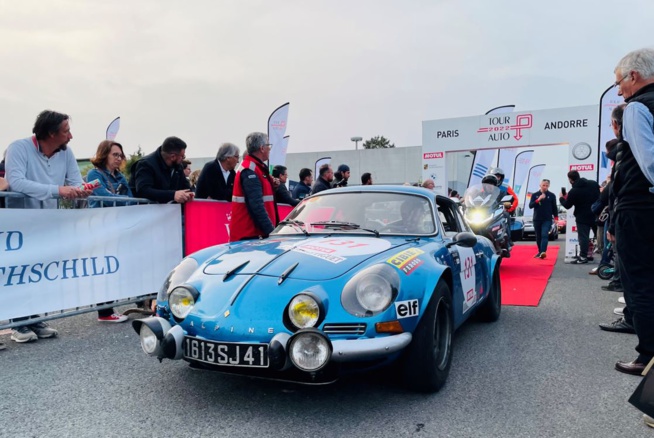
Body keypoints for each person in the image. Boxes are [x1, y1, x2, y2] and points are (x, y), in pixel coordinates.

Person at [5, 110, 91, 343]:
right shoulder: (18, 148)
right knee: (18, 272)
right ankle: (18, 322)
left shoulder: (66, 153)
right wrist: (58, 190)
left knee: (37, 273)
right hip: (18, 223)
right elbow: (16, 182)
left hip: (46, 224)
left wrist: (81, 190)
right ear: (51, 133)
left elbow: (73, 182)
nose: (70, 136)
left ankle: (33, 319)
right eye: (66, 131)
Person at [608, 48, 654, 377]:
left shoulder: (637, 107)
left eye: (619, 82)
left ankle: (648, 358)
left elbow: (648, 164)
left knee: (639, 283)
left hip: (639, 208)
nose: (619, 89)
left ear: (633, 76)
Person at [87, 140, 133, 323]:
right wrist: (120, 199)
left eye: (121, 155)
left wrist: (120, 199)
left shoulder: (119, 176)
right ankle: (104, 312)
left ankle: (108, 308)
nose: (118, 158)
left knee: (114, 267)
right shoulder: (93, 173)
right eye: (115, 154)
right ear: (104, 154)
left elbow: (130, 197)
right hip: (100, 227)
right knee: (103, 268)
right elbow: (105, 197)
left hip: (116, 226)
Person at [229, 132, 279, 241]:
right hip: (250, 235)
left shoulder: (256, 168)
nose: (269, 149)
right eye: (268, 146)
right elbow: (256, 206)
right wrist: (271, 233)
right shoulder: (250, 170)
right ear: (262, 148)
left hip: (254, 234)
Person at [130, 136, 193, 204]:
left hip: (169, 211)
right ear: (173, 157)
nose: (183, 159)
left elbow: (185, 187)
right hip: (145, 210)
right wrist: (173, 195)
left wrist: (189, 194)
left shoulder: (178, 167)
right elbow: (143, 190)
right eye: (182, 156)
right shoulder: (146, 164)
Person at [559, 170, 600, 264]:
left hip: (582, 216)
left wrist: (561, 198)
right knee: (599, 236)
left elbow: (567, 205)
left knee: (583, 237)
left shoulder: (574, 191)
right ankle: (604, 256)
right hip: (596, 214)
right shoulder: (593, 183)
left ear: (570, 180)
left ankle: (583, 257)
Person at [528, 179, 559, 259]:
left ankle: (543, 252)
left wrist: (556, 218)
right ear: (540, 185)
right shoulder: (535, 195)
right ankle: (540, 251)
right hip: (537, 219)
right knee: (538, 236)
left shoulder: (552, 195)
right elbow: (530, 206)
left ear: (549, 186)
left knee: (544, 234)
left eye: (546, 185)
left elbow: (554, 207)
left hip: (547, 219)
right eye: (543, 185)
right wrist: (538, 199)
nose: (545, 187)